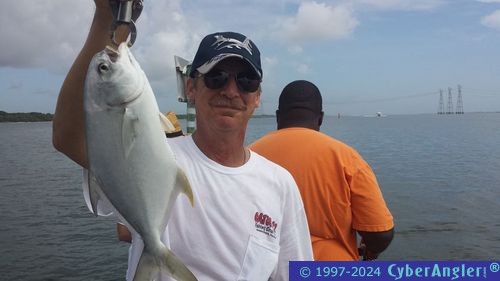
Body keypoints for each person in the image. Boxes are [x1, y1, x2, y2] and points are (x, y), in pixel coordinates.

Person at [52, 1, 313, 280]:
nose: (231, 90)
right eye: (216, 77)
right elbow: (68, 138)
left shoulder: (280, 184)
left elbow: (294, 273)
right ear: (191, 87)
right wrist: (106, 15)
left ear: (257, 97)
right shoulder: (157, 156)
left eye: (246, 81)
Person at [250, 80, 394, 261]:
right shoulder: (347, 158)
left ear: (278, 116)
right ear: (320, 118)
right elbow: (381, 235)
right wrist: (372, 251)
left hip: (266, 271)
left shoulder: (248, 155)